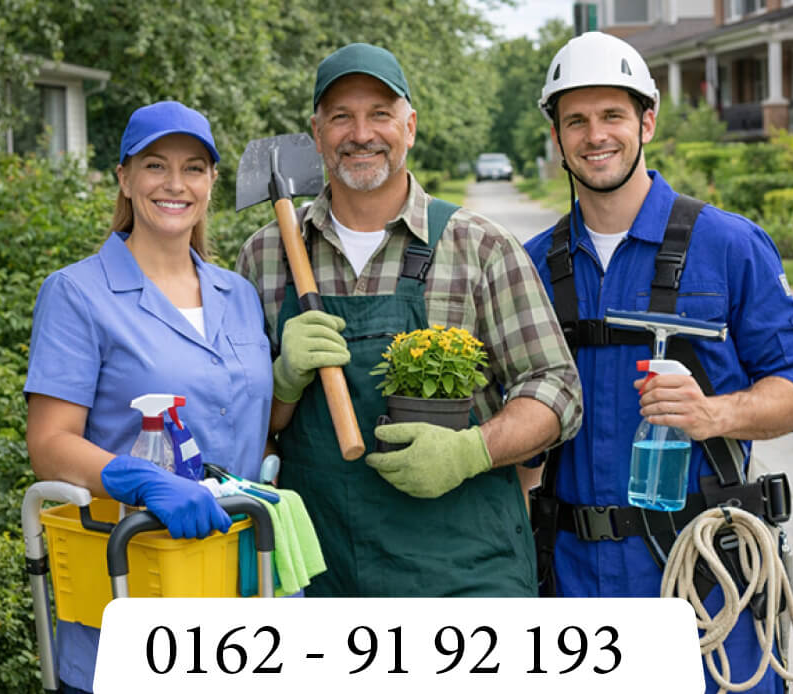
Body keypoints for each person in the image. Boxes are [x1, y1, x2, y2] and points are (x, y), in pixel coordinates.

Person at [524, 32, 793, 693]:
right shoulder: (529, 265)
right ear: (556, 134)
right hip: (571, 583)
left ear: (646, 121)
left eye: (611, 115)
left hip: (704, 581)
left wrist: (715, 412)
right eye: (574, 119)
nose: (594, 135)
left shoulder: (728, 245)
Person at [235, 42, 582, 597]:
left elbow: (558, 389)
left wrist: (474, 450)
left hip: (464, 576)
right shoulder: (266, 255)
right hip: (320, 578)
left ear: (410, 126)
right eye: (341, 116)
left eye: (380, 114)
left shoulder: (479, 246)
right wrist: (279, 382)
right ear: (316, 132)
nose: (361, 133)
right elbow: (239, 423)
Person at [25, 101, 273, 693]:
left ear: (211, 181)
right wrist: (140, 480)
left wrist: (289, 382)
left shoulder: (237, 293)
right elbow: (50, 444)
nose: (175, 184)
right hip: (133, 589)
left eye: (193, 168)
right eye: (155, 165)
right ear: (125, 179)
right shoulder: (77, 294)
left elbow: (253, 419)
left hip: (242, 602)